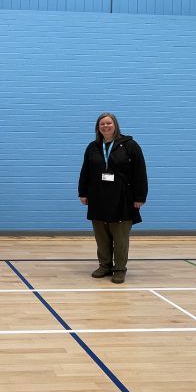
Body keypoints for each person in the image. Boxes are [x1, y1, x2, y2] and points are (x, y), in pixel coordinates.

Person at [78, 112, 148, 284]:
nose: (105, 126)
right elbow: (85, 171)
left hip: (122, 198)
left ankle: (119, 269)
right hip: (98, 197)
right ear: (98, 127)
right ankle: (105, 265)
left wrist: (140, 197)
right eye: (102, 124)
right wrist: (83, 192)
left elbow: (140, 173)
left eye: (109, 123)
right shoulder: (93, 147)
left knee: (120, 237)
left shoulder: (130, 145)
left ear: (115, 125)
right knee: (101, 236)